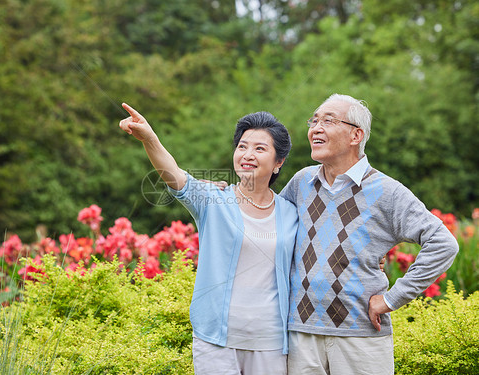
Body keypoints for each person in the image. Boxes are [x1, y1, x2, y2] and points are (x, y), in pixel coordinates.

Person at [280, 93, 459, 374]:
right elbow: (268, 226)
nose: (315, 128)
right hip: (302, 334)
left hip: (360, 335)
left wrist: (392, 298)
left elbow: (443, 243)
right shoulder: (301, 182)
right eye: (313, 121)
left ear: (356, 135)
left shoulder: (386, 191)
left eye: (328, 120)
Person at [119, 103, 298, 374]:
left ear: (279, 162)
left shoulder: (291, 213)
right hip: (216, 340)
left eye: (260, 149)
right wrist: (149, 138)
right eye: (242, 146)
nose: (248, 155)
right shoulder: (214, 200)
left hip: (271, 342)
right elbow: (175, 176)